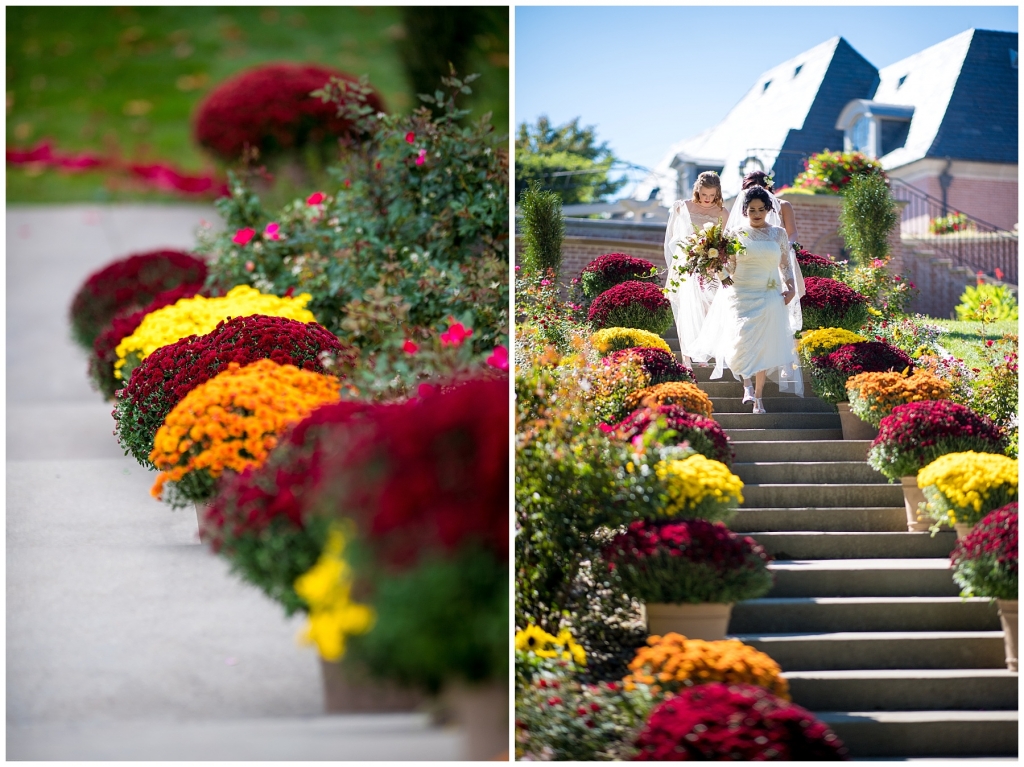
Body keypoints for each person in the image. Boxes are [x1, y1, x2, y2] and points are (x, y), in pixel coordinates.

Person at [692, 186, 804, 413]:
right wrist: (717, 270)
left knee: (763, 345)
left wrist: (791, 288)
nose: (756, 214)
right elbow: (730, 266)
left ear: (768, 210)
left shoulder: (778, 233)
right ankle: (747, 386)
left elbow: (785, 265)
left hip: (770, 293)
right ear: (745, 210)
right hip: (741, 293)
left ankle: (758, 399)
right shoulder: (735, 234)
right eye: (752, 210)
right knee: (741, 339)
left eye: (761, 209)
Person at [663, 171, 728, 368]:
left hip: (711, 266)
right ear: (697, 190)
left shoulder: (723, 212)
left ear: (717, 193)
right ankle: (686, 357)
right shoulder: (682, 207)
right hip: (687, 265)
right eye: (704, 194)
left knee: (709, 309)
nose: (708, 199)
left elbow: (725, 242)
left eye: (712, 195)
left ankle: (705, 352)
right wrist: (689, 254)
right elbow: (672, 238)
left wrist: (714, 258)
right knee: (685, 309)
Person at [738, 170, 799, 246]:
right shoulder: (744, 207)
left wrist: (788, 246)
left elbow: (792, 233)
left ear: (766, 188)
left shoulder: (784, 205)